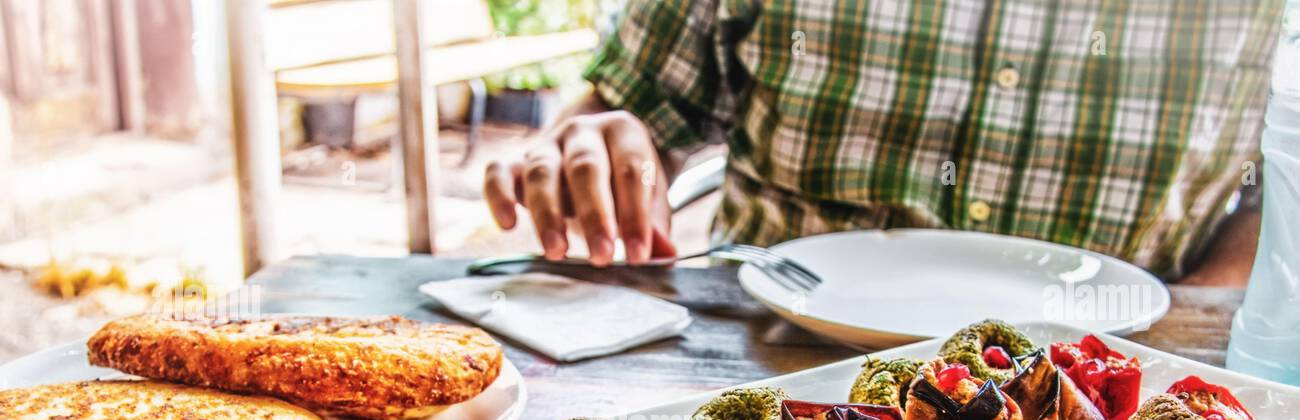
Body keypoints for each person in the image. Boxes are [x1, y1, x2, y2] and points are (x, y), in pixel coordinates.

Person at [484, 0, 1281, 285]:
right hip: (767, 369)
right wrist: (585, 148)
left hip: (1112, 380)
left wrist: (1202, 317)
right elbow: (628, 110)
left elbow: (1270, 189)